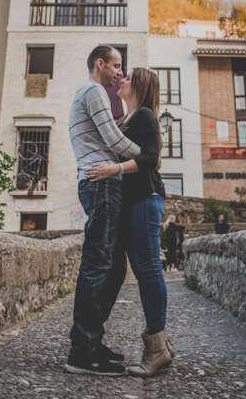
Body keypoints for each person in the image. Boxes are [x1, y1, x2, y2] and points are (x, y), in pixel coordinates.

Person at [86, 67, 174, 378]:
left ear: (139, 85)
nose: (121, 80)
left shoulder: (144, 115)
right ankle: (162, 343)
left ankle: (157, 347)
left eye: (128, 77)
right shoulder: (129, 119)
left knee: (148, 268)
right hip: (135, 201)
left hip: (146, 198)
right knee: (141, 269)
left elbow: (150, 158)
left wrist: (112, 170)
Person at [66, 46, 141, 376]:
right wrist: (148, 156)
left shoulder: (92, 93)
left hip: (101, 182)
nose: (120, 73)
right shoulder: (94, 90)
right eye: (116, 65)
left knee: (113, 268)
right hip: (101, 183)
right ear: (100, 64)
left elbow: (109, 136)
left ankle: (91, 340)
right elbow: (113, 140)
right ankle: (82, 350)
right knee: (98, 264)